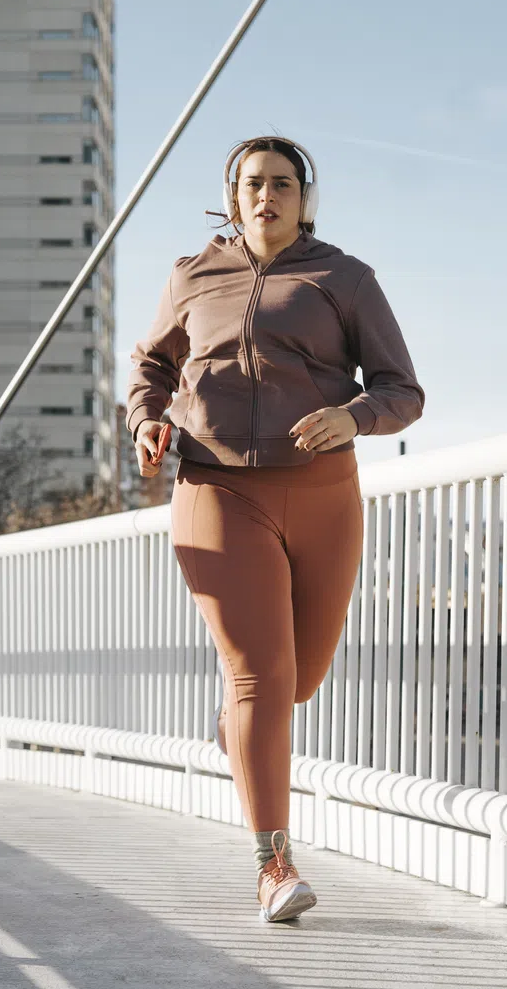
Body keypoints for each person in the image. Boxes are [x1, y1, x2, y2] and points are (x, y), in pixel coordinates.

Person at [126, 135, 423, 923]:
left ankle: (240, 730)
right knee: (261, 674)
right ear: (232, 196)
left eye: (283, 185)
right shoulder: (193, 275)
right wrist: (148, 420)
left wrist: (353, 415)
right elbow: (151, 366)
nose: (267, 196)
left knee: (298, 681)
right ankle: (274, 864)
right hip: (218, 489)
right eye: (253, 184)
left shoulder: (345, 281)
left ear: (304, 197)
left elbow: (402, 390)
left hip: (323, 496)